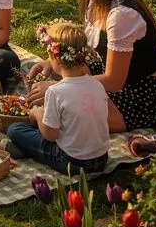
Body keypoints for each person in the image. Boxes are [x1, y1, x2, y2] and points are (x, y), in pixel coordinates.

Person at [26, 0, 156, 134]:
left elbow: (114, 81)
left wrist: (60, 87)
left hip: (136, 96)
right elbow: (90, 52)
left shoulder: (122, 15)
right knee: (51, 78)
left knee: (68, 115)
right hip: (107, 79)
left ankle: (37, 135)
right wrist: (52, 63)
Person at [8, 21, 109, 175]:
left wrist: (37, 113)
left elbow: (50, 135)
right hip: (102, 159)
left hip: (72, 162)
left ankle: (25, 149)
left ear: (57, 59)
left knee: (15, 130)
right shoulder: (97, 84)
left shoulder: (56, 91)